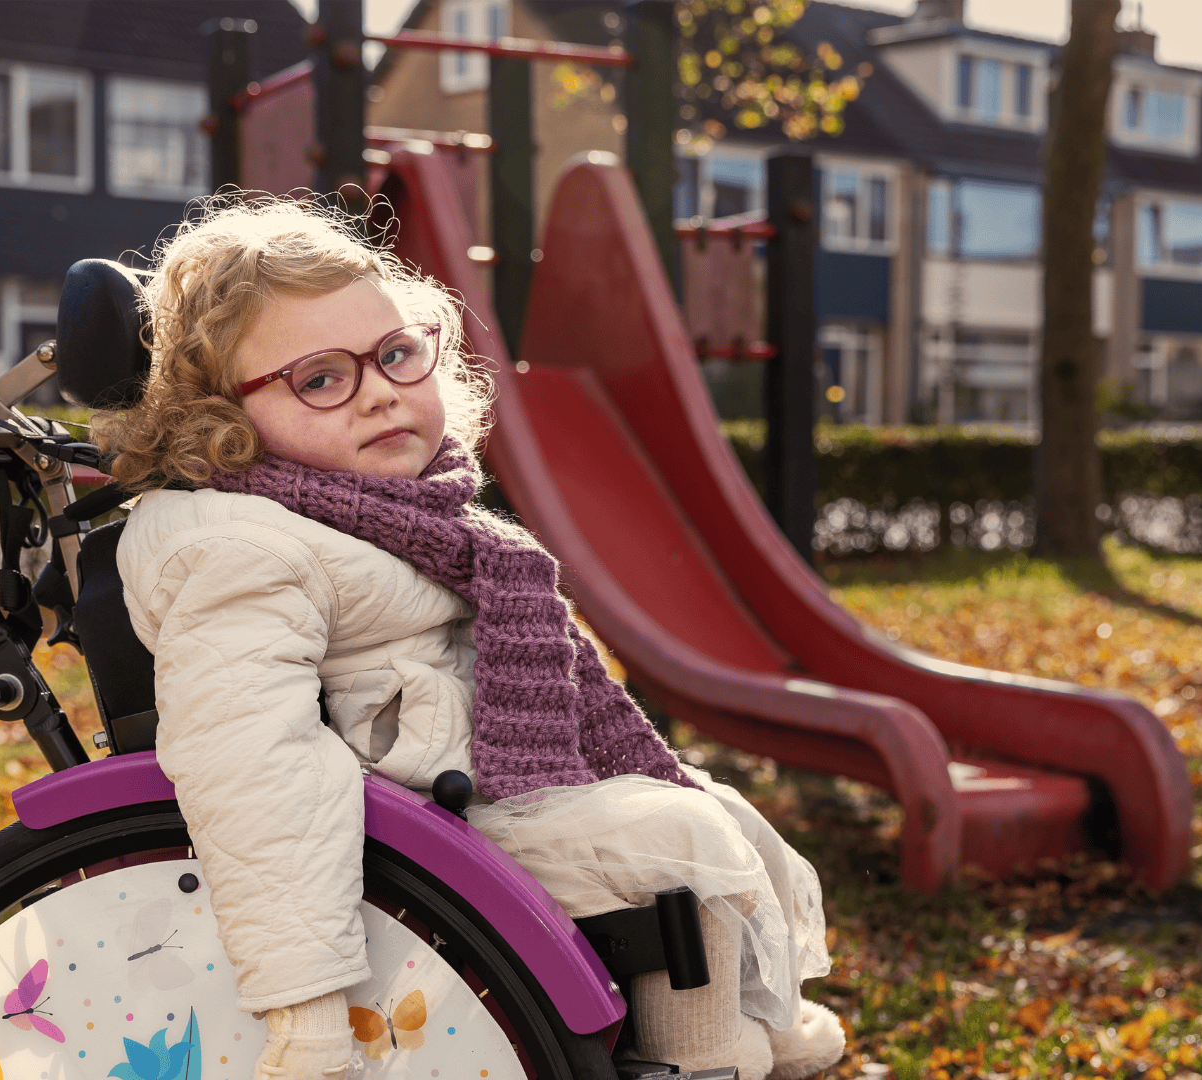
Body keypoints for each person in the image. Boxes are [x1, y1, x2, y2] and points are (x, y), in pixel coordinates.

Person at [95, 196, 844, 1080]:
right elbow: (255, 770)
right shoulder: (241, 549)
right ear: (222, 416)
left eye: (396, 354)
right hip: (404, 839)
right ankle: (706, 1057)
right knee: (675, 838)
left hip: (464, 801)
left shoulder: (411, 517)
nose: (381, 392)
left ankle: (755, 1023)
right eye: (322, 379)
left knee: (712, 809)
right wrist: (306, 1005)